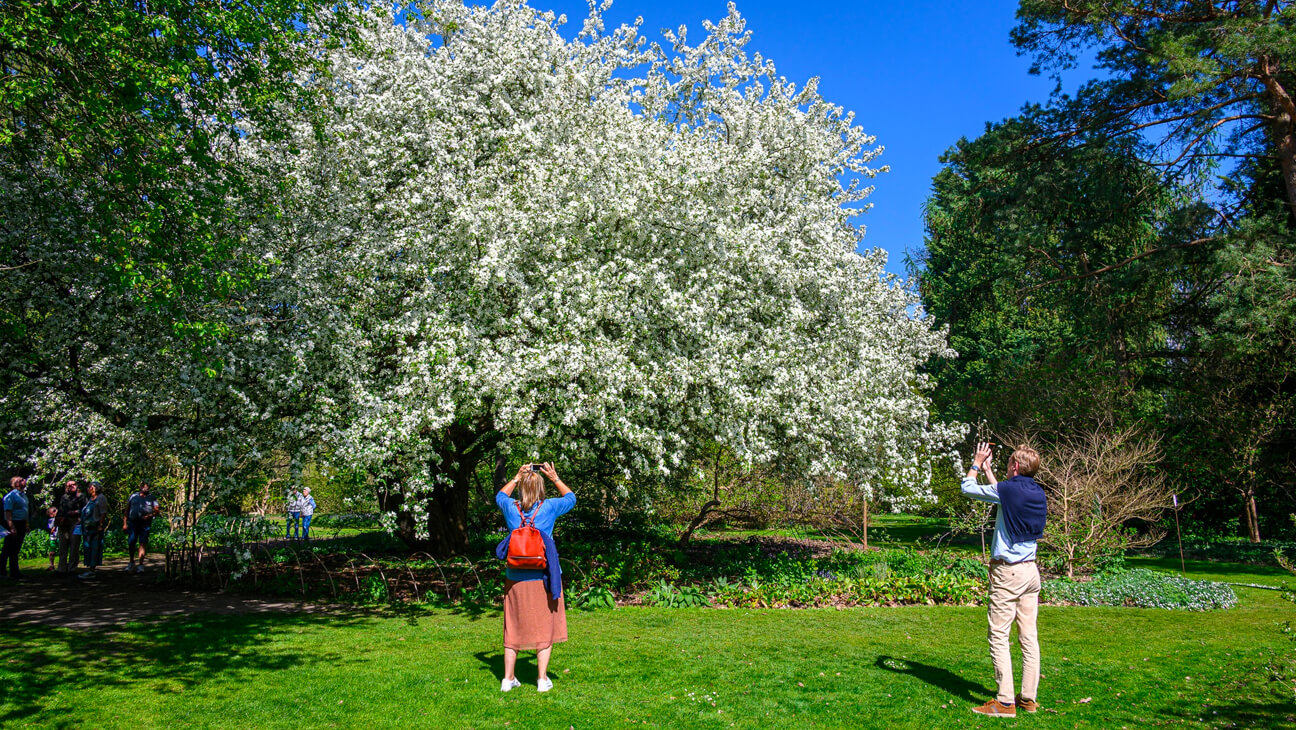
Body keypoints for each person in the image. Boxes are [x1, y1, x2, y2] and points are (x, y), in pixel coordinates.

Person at [962, 441, 1049, 717]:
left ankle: (1004, 701)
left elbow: (967, 488)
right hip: (1031, 572)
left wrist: (977, 463)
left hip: (1008, 572)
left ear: (1014, 466)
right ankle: (1028, 698)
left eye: (1009, 463)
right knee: (1028, 636)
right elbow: (1005, 496)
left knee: (999, 635)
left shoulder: (1009, 490)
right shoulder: (1037, 491)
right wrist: (990, 473)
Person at [494, 462, 576, 693]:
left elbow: (500, 496)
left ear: (521, 489)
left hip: (515, 578)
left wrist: (516, 477)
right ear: (541, 489)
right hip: (543, 578)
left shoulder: (511, 508)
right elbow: (571, 499)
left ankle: (508, 679)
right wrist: (555, 477)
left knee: (513, 626)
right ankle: (541, 679)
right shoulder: (549, 508)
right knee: (545, 627)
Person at [124, 482, 160, 573]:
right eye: (143, 487)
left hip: (145, 523)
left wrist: (150, 515)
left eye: (147, 487)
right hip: (133, 522)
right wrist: (124, 523)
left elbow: (156, 510)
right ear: (140, 487)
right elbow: (127, 509)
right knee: (131, 541)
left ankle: (141, 564)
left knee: (142, 542)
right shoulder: (133, 496)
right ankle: (131, 562)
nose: (145, 488)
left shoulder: (152, 497)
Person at [78, 482, 109, 579]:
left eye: (90, 487)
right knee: (88, 547)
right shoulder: (90, 500)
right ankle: (89, 569)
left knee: (94, 547)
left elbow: (103, 513)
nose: (88, 488)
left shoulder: (101, 498)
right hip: (87, 529)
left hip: (95, 528)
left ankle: (92, 570)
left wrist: (100, 524)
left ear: (96, 488)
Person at [2, 476, 31, 580]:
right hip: (13, 523)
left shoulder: (24, 496)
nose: (25, 481)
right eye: (22, 480)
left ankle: (15, 572)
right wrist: (11, 527)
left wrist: (26, 525)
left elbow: (25, 511)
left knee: (15, 549)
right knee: (7, 548)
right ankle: (2, 571)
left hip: (22, 524)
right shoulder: (11, 496)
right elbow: (8, 512)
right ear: (16, 483)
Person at [56, 481, 86, 574]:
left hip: (76, 522)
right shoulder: (64, 497)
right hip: (64, 523)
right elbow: (60, 509)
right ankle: (62, 568)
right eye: (69, 485)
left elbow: (86, 509)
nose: (71, 486)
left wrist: (77, 512)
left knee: (74, 546)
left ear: (76, 486)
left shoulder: (81, 496)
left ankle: (72, 568)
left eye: (73, 485)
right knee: (63, 546)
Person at [46, 506, 58, 571]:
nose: (51, 515)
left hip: (60, 536)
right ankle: (51, 565)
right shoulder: (50, 520)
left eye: (54, 511)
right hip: (53, 537)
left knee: (62, 551)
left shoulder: (60, 518)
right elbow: (51, 529)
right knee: (52, 552)